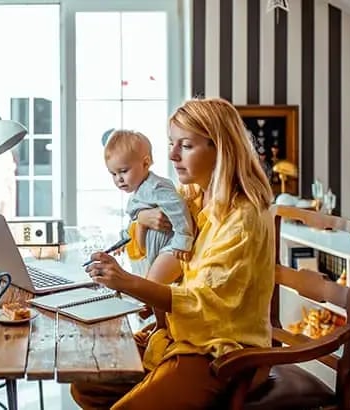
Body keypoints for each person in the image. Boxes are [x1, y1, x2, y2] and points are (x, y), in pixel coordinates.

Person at [71, 97, 276, 409]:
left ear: (220, 148)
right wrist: (141, 218)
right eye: (171, 143)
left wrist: (126, 282)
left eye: (186, 146)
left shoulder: (242, 218)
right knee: (85, 386)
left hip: (224, 352)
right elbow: (151, 232)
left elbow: (204, 302)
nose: (171, 155)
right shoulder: (194, 195)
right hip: (183, 336)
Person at [103, 129, 195, 287]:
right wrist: (123, 239)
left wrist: (183, 238)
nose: (119, 179)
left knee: (151, 288)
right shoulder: (138, 191)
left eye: (124, 171)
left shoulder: (156, 186)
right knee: (152, 295)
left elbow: (178, 208)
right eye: (113, 174)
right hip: (154, 253)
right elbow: (134, 219)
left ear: (145, 163)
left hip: (170, 250)